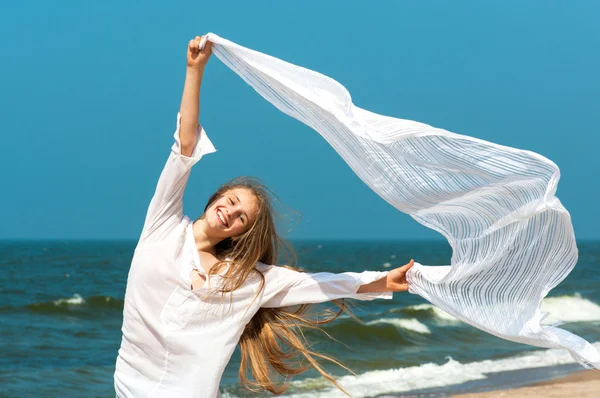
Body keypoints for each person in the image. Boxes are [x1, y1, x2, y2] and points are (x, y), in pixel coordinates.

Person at [114, 35, 415, 398]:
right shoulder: (161, 228)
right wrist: (195, 71)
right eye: (230, 200)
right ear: (213, 198)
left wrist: (383, 281)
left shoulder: (249, 280)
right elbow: (185, 147)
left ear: (242, 232)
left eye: (241, 216)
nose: (230, 211)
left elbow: (322, 284)